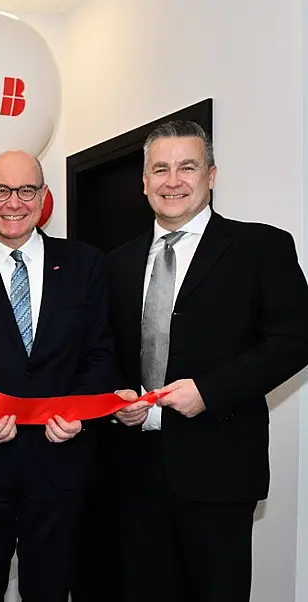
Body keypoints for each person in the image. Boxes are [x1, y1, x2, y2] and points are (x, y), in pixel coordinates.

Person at [107, 120, 308, 602]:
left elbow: (295, 338)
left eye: (187, 167)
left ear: (212, 175)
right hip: (132, 473)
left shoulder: (261, 247)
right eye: (160, 169)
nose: (172, 180)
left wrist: (210, 392)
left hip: (219, 468)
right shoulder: (117, 263)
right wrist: (114, 394)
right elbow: (106, 348)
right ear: (144, 182)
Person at [0, 150, 115, 602]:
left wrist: (78, 412)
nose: (13, 202)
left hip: (62, 459)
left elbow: (100, 353)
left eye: (26, 190)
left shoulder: (85, 264)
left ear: (43, 197)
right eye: (1, 190)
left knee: (51, 587)